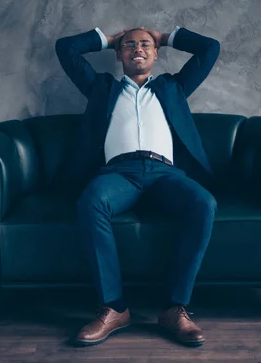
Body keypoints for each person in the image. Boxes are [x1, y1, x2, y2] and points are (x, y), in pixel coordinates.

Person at [55, 24, 220, 347]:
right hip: (119, 173)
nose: (137, 49)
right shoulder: (101, 88)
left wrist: (166, 36)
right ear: (119, 55)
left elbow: (209, 48)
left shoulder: (173, 87)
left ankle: (174, 308)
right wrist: (108, 38)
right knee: (91, 201)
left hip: (166, 173)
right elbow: (65, 48)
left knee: (204, 204)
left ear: (156, 53)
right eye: (129, 46)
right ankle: (114, 307)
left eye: (145, 44)